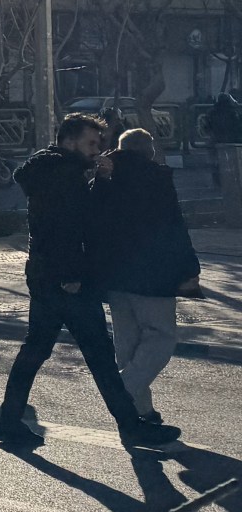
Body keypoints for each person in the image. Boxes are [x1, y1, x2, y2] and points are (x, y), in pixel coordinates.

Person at [0, 113, 178, 448]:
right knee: (99, 356)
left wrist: (99, 179)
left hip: (45, 275)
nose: (96, 150)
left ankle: (8, 422)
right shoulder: (64, 174)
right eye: (91, 143)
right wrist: (72, 275)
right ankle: (131, 426)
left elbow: (71, 219)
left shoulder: (50, 169)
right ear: (70, 140)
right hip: (67, 280)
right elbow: (69, 226)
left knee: (37, 351)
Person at [95, 127, 201, 426]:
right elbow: (173, 226)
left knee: (127, 345)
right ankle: (123, 391)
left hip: (115, 275)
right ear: (149, 149)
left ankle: (141, 412)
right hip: (153, 272)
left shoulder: (105, 176)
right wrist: (189, 267)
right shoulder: (156, 178)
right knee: (161, 337)